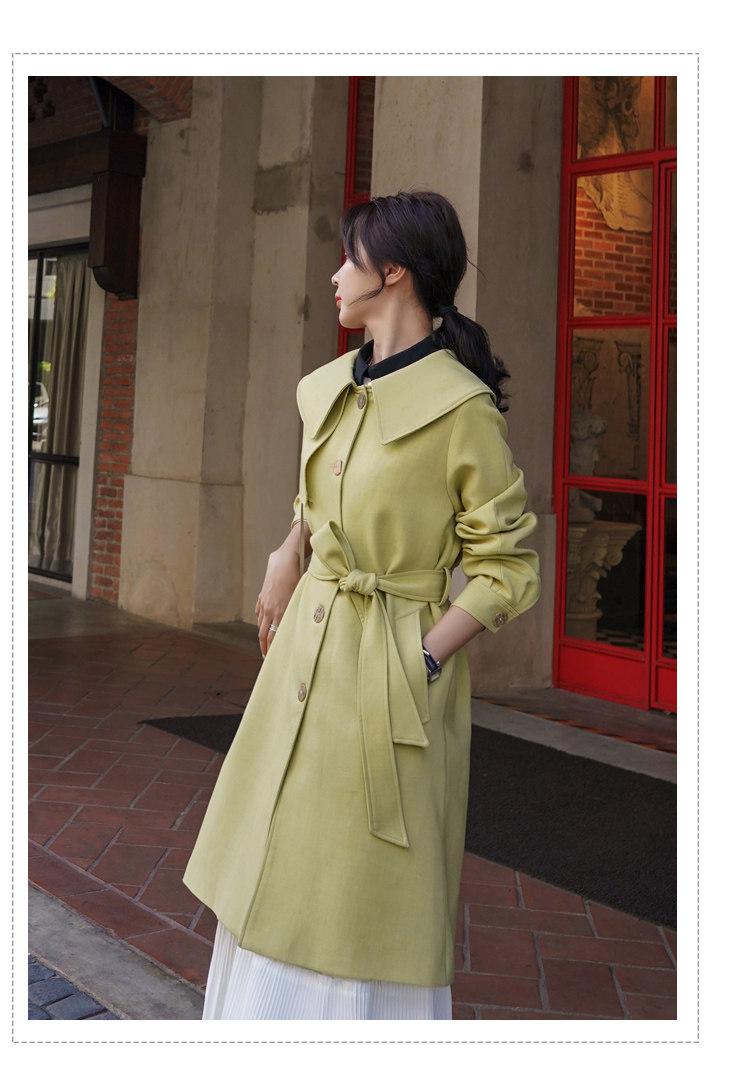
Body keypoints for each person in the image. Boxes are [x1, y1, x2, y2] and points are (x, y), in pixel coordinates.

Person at [183, 190, 541, 1021]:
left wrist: (423, 656)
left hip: (390, 678)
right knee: (271, 868)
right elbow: (327, 494)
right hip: (303, 659)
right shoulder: (330, 389)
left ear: (394, 272)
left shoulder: (461, 411)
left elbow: (507, 568)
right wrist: (290, 549)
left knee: (353, 900)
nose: (334, 275)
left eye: (349, 258)